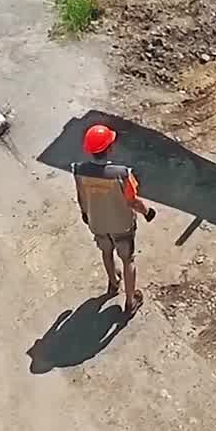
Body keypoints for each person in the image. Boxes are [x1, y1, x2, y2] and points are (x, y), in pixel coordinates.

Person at [71, 124, 156, 317]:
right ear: (110, 148)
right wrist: (147, 212)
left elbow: (81, 197)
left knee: (106, 252)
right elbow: (132, 200)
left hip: (97, 223)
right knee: (127, 260)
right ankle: (130, 300)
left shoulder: (79, 171)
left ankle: (113, 283)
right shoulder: (122, 174)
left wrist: (86, 214)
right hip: (121, 225)